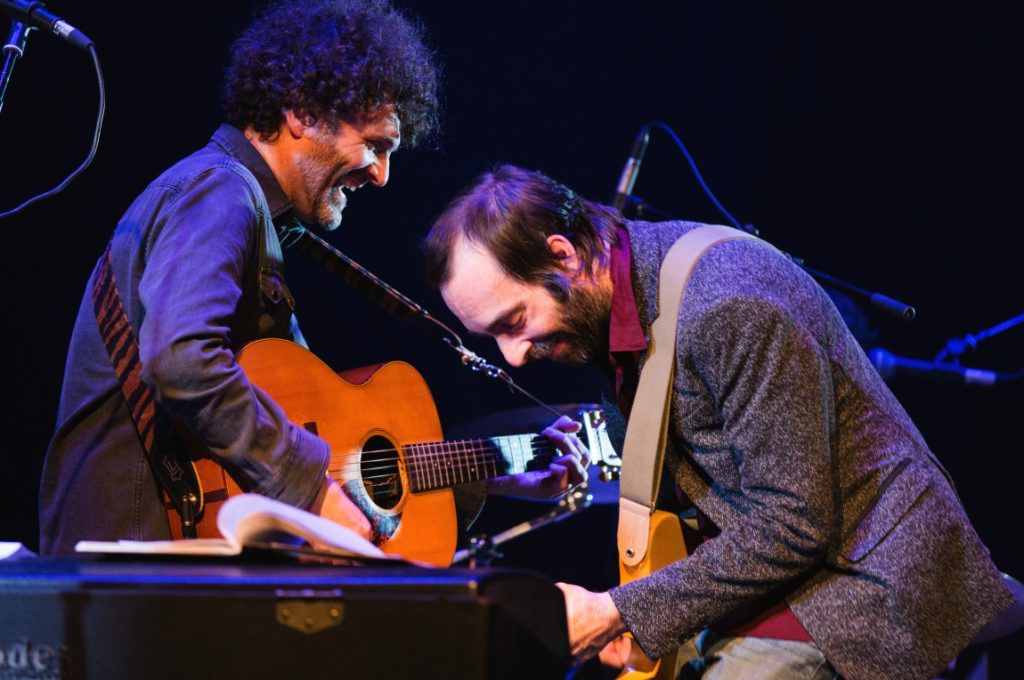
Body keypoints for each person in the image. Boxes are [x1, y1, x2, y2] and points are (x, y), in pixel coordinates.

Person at [423, 164, 1013, 679]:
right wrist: (538, 474)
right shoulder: (618, 299)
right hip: (782, 571)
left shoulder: (725, 306)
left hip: (861, 575)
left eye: (512, 321)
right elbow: (689, 444)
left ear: (562, 255)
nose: (513, 355)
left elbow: (792, 526)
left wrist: (620, 611)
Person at [39, 1, 586, 556]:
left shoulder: (253, 214)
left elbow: (333, 450)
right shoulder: (219, 192)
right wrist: (309, 490)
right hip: (131, 558)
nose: (381, 173)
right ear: (302, 112)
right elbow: (183, 361)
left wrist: (495, 472)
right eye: (374, 145)